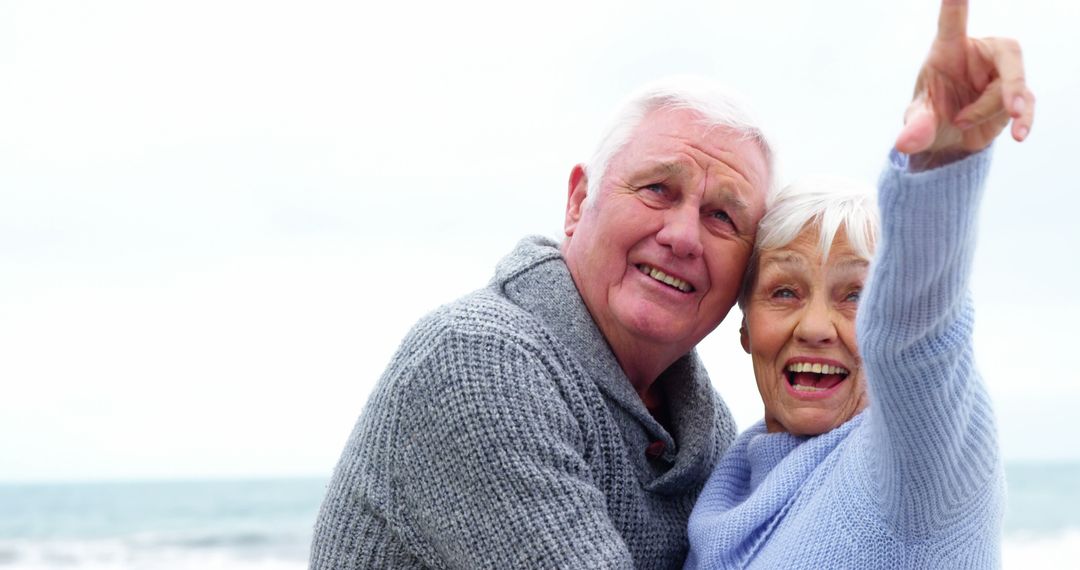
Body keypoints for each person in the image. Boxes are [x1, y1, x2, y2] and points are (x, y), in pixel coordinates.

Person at [309, 78, 775, 568]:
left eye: (722, 217)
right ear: (578, 201)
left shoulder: (704, 428)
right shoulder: (476, 360)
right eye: (658, 189)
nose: (683, 237)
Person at [683, 1, 1034, 567]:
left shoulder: (919, 465)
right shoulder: (724, 488)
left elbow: (916, 336)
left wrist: (942, 166)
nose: (817, 327)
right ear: (744, 322)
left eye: (857, 296)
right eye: (784, 292)